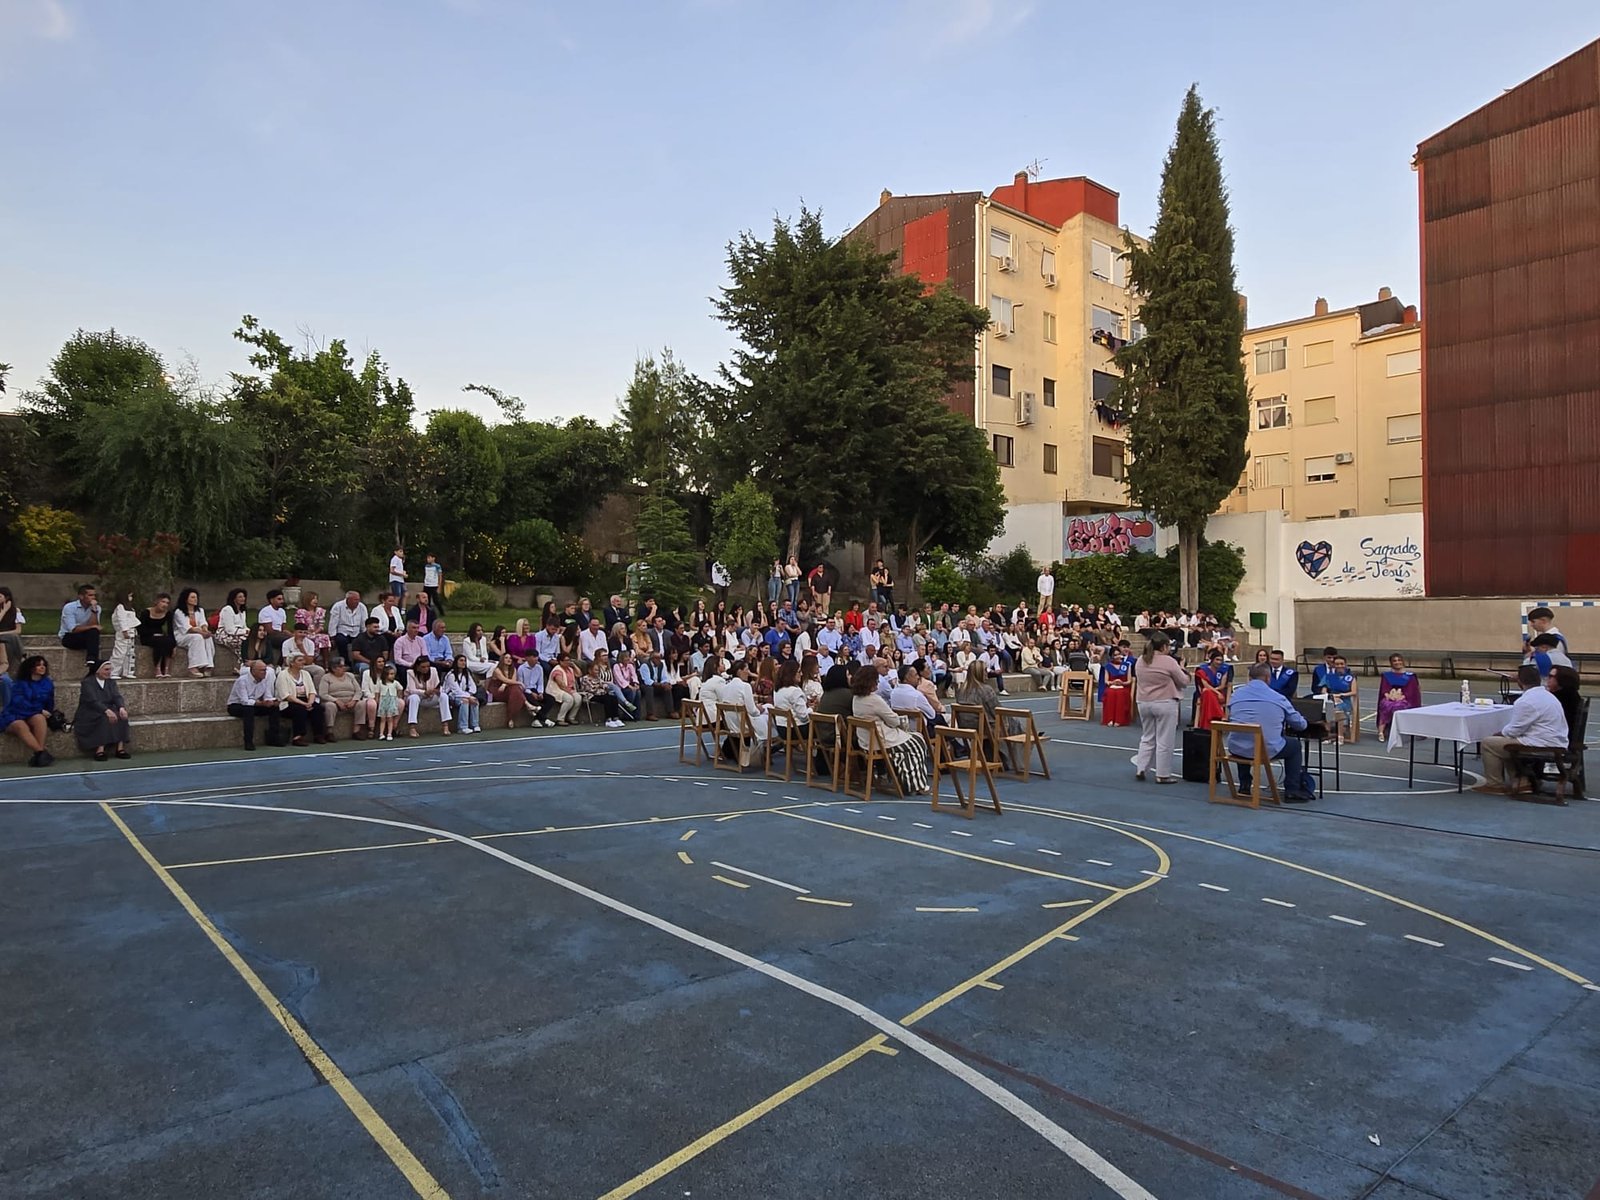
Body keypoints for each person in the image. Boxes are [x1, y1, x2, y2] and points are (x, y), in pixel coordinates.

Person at [1474, 664, 1569, 795]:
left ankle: (1494, 784)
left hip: (1542, 744)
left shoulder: (1525, 701)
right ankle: (1522, 782)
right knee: (1505, 743)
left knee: (1489, 743)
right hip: (1555, 741)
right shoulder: (1548, 696)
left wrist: (1500, 733)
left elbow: (1514, 730)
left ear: (1519, 681)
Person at [1226, 662, 1312, 802]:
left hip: (1238, 747)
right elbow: (1300, 725)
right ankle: (1292, 789)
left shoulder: (1236, 695)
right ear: (1268, 678)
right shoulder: (1277, 697)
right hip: (1265, 749)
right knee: (1295, 746)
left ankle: (1245, 784)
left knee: (1245, 735)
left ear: (1249, 677)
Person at [851, 661, 931, 793]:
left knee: (913, 741)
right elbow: (893, 721)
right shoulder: (874, 699)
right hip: (881, 741)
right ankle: (915, 784)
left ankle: (907, 778)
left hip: (866, 741)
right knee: (917, 742)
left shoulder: (856, 698)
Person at [1131, 632, 1190, 783]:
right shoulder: (1168, 661)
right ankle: (1162, 774)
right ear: (1164, 646)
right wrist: (1182, 668)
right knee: (1165, 739)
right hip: (1164, 702)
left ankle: (1141, 767)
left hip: (1144, 702)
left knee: (1147, 737)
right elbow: (1183, 681)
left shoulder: (1140, 660)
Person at [2, 655, 56, 767]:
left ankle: (39, 755)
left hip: (34, 714)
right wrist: (39, 710)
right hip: (15, 714)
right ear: (31, 668)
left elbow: (49, 702)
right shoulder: (19, 684)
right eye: (38, 665)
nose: (42, 667)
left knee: (39, 719)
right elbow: (19, 704)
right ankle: (40, 752)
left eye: (43, 665)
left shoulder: (48, 683)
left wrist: (46, 713)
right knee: (20, 725)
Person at [74, 659, 131, 761]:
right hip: (90, 711)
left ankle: (120, 748)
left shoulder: (111, 682)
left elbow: (116, 696)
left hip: (107, 708)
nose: (109, 672)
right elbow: (92, 701)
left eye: (110, 670)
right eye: (106, 670)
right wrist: (106, 711)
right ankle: (100, 750)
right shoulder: (87, 683)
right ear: (98, 670)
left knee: (122, 716)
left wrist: (121, 708)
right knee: (104, 718)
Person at [226, 660, 282, 751]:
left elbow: (267, 695)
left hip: (254, 704)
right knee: (248, 710)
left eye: (265, 670)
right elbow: (244, 701)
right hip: (236, 705)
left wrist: (272, 701)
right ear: (253, 671)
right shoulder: (242, 681)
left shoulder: (264, 680)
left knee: (274, 708)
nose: (265, 672)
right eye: (262, 670)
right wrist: (260, 703)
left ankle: (274, 738)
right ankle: (248, 741)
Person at [276, 655, 328, 745]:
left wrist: (310, 702)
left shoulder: (305, 673)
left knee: (317, 708)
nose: (303, 662)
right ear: (292, 663)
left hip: (306, 699)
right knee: (299, 710)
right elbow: (286, 696)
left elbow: (312, 691)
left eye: (303, 660)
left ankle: (318, 735)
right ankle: (297, 737)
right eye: (299, 660)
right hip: (289, 702)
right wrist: (304, 704)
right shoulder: (283, 675)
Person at [319, 658, 372, 741]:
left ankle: (356, 731)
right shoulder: (326, 678)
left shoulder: (350, 676)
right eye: (341, 666)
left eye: (344, 666)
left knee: (361, 704)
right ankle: (329, 732)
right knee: (330, 706)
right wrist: (336, 701)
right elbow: (323, 694)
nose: (344, 668)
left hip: (350, 701)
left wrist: (354, 700)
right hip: (334, 701)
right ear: (333, 668)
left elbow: (358, 691)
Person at [1375, 654, 1423, 741]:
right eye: (1394, 661)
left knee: (1398, 706)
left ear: (1402, 661)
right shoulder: (1387, 675)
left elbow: (1411, 691)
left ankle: (1398, 730)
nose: (1397, 662)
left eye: (1399, 660)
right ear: (1391, 663)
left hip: (1405, 699)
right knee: (1385, 705)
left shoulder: (1410, 676)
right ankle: (1381, 731)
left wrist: (1401, 697)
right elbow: (1384, 689)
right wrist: (1389, 696)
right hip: (1390, 698)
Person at [170, 588, 216, 677]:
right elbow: (187, 628)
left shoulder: (200, 610)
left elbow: (203, 622)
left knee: (208, 638)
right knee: (197, 637)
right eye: (192, 597)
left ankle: (208, 666)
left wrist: (205, 630)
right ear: (186, 599)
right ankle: (193, 667)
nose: (195, 599)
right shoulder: (179, 612)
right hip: (182, 635)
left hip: (198, 633)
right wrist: (202, 633)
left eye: (196, 597)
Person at [404, 657, 451, 736]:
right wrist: (424, 692)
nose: (426, 669)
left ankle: (445, 726)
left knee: (444, 696)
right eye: (423, 667)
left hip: (431, 697)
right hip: (419, 698)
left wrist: (437, 691)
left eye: (427, 666)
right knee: (414, 698)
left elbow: (438, 685)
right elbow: (411, 690)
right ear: (417, 667)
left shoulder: (433, 670)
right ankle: (412, 728)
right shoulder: (410, 672)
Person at [59, 584, 102, 669]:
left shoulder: (97, 608)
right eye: (90, 595)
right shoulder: (70, 607)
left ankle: (92, 659)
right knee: (93, 631)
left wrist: (94, 611)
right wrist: (92, 627)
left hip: (85, 636)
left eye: (94, 595)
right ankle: (92, 660)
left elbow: (94, 625)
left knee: (94, 632)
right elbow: (73, 629)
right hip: (69, 637)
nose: (93, 598)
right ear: (81, 596)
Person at [138, 593, 178, 678]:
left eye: (167, 603)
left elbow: (170, 630)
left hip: (160, 635)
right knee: (160, 641)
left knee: (168, 641)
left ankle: (166, 669)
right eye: (163, 602)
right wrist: (153, 634)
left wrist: (174, 644)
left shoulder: (168, 614)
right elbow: (141, 629)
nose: (165, 605)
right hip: (147, 636)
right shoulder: (146, 612)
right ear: (157, 602)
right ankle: (158, 668)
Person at [1193, 647, 1232, 731]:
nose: (1219, 662)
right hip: (1211, 693)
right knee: (1207, 692)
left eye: (1221, 660)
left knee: (1208, 693)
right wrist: (1217, 693)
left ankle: (1206, 724)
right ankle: (1220, 715)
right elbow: (1205, 685)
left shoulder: (1224, 670)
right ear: (1212, 660)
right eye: (1217, 660)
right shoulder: (1203, 670)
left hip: (1219, 692)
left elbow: (1222, 685)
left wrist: (1217, 691)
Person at [1320, 655, 1357, 742]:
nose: (1340, 666)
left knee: (1338, 709)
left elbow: (1354, 692)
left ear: (1345, 664)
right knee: (1328, 707)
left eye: (1341, 664)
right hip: (1331, 699)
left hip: (1345, 700)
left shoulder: (1350, 677)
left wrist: (1341, 695)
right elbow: (1323, 690)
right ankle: (1328, 735)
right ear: (1333, 665)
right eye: (1337, 664)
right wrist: (1330, 696)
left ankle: (1340, 736)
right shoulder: (1328, 676)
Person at [327, 591, 369, 664]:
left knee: (361, 641)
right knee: (341, 641)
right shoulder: (338, 606)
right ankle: (346, 661)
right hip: (343, 631)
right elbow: (333, 623)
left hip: (356, 631)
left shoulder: (362, 607)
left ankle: (358, 662)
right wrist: (332, 636)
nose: (358, 602)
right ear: (348, 599)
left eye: (358, 599)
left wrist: (365, 634)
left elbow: (364, 622)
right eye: (355, 600)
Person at [443, 655, 482, 733]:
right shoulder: (451, 675)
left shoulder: (467, 673)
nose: (463, 662)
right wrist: (468, 697)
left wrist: (470, 695)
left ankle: (475, 725)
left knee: (474, 701)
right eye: (461, 660)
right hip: (451, 696)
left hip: (465, 695)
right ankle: (462, 727)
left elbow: (473, 686)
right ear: (456, 662)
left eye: (464, 661)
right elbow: (456, 691)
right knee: (465, 701)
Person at [109, 592, 140, 679]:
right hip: (123, 633)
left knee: (130, 653)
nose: (131, 598)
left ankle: (128, 671)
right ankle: (113, 672)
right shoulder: (120, 607)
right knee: (120, 652)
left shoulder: (131, 609)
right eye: (129, 596)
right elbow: (121, 619)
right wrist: (125, 630)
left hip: (131, 632)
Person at [1099, 646, 1133, 727]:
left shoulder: (1126, 666)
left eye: (1119, 654)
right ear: (1112, 656)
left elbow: (1129, 680)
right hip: (1112, 686)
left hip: (1123, 687)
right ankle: (1110, 719)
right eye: (1115, 655)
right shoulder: (1108, 666)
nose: (1118, 657)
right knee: (1110, 693)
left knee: (1120, 694)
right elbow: (1106, 681)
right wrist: (1113, 682)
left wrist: (1122, 683)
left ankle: (1119, 720)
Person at [294, 591, 331, 667]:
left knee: (324, 638)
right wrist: (308, 632)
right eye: (313, 599)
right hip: (304, 633)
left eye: (316, 599)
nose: (315, 601)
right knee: (316, 638)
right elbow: (300, 626)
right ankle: (312, 660)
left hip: (316, 633)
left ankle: (326, 663)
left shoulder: (319, 611)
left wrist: (315, 632)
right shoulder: (301, 612)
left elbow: (321, 626)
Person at [256, 590, 292, 665]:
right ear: (271, 600)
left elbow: (284, 628)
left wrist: (292, 635)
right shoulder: (266, 611)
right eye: (279, 599)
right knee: (287, 642)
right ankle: (281, 664)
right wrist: (285, 635)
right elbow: (269, 630)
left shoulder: (282, 611)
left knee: (295, 640)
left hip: (280, 634)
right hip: (269, 636)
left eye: (282, 599)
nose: (282, 601)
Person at [215, 588, 251, 662]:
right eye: (240, 597)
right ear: (234, 598)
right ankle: (242, 663)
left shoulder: (242, 610)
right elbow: (229, 629)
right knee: (241, 641)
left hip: (239, 632)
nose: (243, 599)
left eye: (244, 596)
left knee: (252, 639)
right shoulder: (227, 609)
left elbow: (244, 626)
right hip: (224, 634)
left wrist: (249, 631)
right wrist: (245, 632)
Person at [547, 652, 581, 725]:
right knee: (569, 699)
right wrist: (570, 692)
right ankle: (560, 719)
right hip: (556, 690)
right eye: (566, 660)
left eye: (569, 660)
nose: (568, 662)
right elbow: (561, 684)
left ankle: (571, 718)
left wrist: (574, 665)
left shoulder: (570, 669)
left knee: (578, 698)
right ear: (560, 661)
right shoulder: (557, 670)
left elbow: (579, 674)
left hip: (569, 689)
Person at [373, 664, 403, 740]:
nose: (392, 676)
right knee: (383, 719)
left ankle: (389, 734)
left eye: (393, 674)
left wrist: (398, 697)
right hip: (383, 703)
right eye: (390, 674)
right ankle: (381, 734)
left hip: (391, 702)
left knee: (390, 719)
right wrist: (377, 700)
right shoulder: (380, 683)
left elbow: (400, 689)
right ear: (385, 675)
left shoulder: (395, 683)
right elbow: (377, 692)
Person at [0, 585, 24, 674]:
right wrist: (3, 611)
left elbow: (18, 631)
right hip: (5, 639)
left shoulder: (15, 611)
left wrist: (2, 633)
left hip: (7, 638)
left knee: (10, 641)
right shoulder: (3, 611)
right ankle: (23, 657)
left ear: (7, 598)